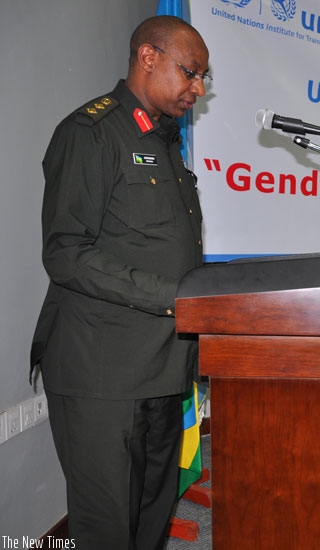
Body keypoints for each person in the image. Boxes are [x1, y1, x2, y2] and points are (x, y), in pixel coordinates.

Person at [29, 16, 209, 549]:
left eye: (204, 78)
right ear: (147, 57)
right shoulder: (90, 133)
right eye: (191, 72)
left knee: (152, 518)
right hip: (102, 373)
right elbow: (65, 254)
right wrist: (174, 299)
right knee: (108, 529)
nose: (198, 88)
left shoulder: (165, 142)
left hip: (162, 367)